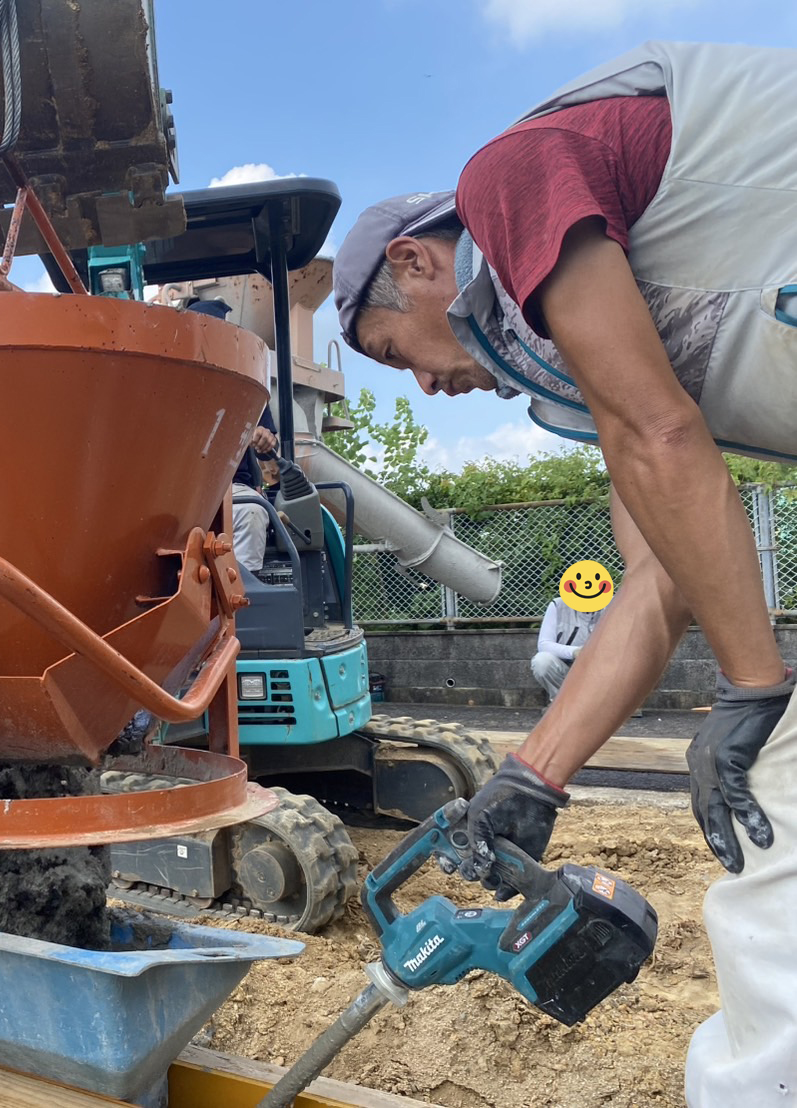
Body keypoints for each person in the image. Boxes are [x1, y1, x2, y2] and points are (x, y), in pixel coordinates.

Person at [330, 41, 797, 1104]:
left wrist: (753, 690)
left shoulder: (509, 177)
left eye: (396, 354)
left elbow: (662, 434)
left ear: (415, 262)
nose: (424, 387)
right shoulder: (576, 369)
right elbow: (659, 574)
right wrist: (531, 775)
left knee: (780, 809)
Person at [186, 297, 279, 572]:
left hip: (233, 487)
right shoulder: (175, 386)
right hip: (182, 489)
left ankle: (243, 587)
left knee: (251, 512)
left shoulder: (247, 389)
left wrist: (265, 439)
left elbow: (270, 449)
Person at [531, 596, 600, 705]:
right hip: (567, 667)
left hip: (601, 668)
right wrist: (574, 652)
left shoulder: (614, 604)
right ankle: (563, 704)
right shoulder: (558, 605)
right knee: (542, 661)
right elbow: (544, 644)